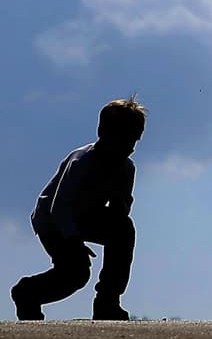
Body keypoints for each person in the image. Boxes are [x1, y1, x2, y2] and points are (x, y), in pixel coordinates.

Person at [10, 97, 146, 321]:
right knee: (76, 273)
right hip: (52, 220)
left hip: (86, 215)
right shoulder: (82, 161)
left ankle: (107, 300)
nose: (128, 147)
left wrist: (119, 205)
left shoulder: (126, 167)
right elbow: (59, 207)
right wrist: (73, 241)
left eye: (133, 140)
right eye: (122, 139)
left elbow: (121, 210)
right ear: (103, 132)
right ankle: (28, 292)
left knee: (123, 230)